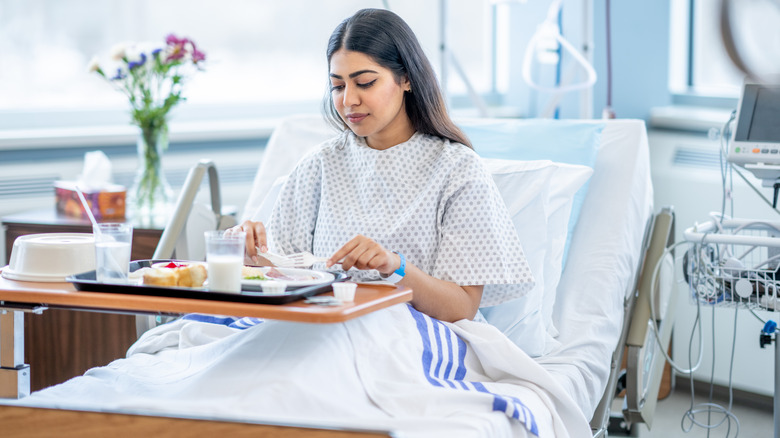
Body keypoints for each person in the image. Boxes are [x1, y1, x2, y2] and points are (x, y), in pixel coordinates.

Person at [234, 8, 533, 323]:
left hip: (409, 335)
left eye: (364, 83)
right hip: (321, 327)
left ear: (406, 79)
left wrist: (395, 266)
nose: (349, 100)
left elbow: (461, 308)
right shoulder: (319, 166)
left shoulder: (457, 171)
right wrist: (250, 259)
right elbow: (283, 277)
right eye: (338, 86)